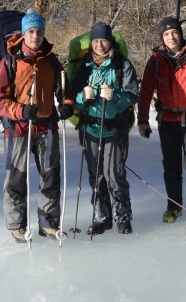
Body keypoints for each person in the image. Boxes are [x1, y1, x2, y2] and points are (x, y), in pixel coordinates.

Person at [0, 11, 75, 243]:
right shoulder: (9, 60)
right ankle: (18, 225)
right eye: (31, 31)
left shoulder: (51, 61)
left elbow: (65, 91)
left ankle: (48, 225)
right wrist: (19, 110)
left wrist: (67, 106)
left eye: (39, 31)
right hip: (17, 129)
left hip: (46, 127)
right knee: (16, 179)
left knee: (50, 177)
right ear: (24, 33)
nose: (36, 36)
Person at [137, 17, 186, 231]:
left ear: (180, 34)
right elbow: (145, 92)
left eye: (174, 33)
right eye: (166, 34)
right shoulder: (156, 60)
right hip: (167, 120)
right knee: (171, 166)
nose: (171, 37)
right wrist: (142, 120)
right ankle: (174, 206)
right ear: (161, 38)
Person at [72, 22, 139, 235]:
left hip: (114, 129)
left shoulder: (122, 64)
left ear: (110, 41)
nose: (100, 45)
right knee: (96, 175)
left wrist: (115, 96)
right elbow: (73, 98)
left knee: (115, 174)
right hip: (90, 128)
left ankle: (123, 217)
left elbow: (133, 95)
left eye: (103, 40)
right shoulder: (85, 65)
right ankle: (103, 216)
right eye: (95, 41)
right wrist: (83, 97)